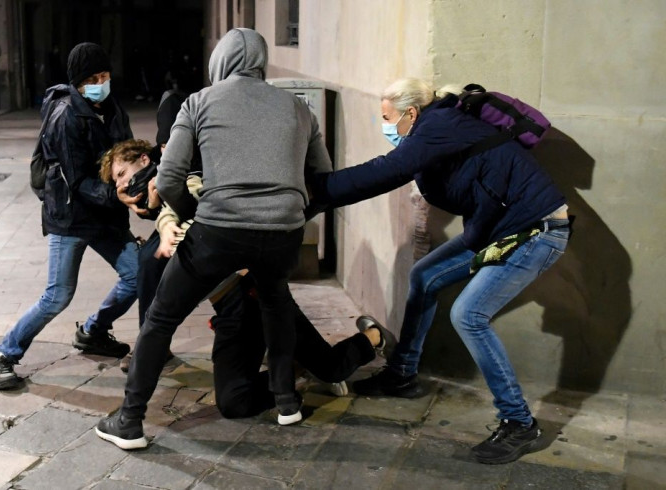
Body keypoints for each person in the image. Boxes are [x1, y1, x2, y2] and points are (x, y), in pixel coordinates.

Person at [309, 78, 571, 465]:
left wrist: (315, 190)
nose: (385, 127)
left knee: (469, 314)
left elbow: (386, 171)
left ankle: (519, 423)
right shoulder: (436, 129)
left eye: (387, 119)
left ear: (411, 113)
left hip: (538, 230)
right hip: (499, 229)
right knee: (424, 276)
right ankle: (402, 375)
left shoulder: (438, 126)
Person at [95, 27, 333, 449]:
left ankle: (129, 420)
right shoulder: (298, 107)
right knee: (275, 304)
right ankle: (286, 402)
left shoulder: (199, 102)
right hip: (282, 234)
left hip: (219, 229)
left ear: (218, 64)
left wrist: (190, 218)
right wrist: (293, 214)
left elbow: (168, 177)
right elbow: (323, 176)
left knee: (161, 318)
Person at [98, 138, 395, 419]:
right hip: (230, 309)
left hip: (257, 289)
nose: (123, 183)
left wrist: (164, 219)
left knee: (332, 368)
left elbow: (191, 195)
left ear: (146, 158)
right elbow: (166, 214)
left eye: (123, 173)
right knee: (234, 403)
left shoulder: (183, 175)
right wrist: (156, 214)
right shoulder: (158, 200)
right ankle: (292, 372)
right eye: (118, 182)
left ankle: (372, 337)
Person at [0, 42, 138, 390]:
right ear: (79, 82)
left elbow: (125, 153)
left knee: (137, 275)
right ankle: (4, 354)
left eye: (106, 75)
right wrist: (116, 194)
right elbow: (78, 178)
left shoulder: (112, 109)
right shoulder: (65, 115)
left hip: (105, 215)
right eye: (94, 78)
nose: (102, 82)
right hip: (71, 216)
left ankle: (93, 332)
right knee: (57, 295)